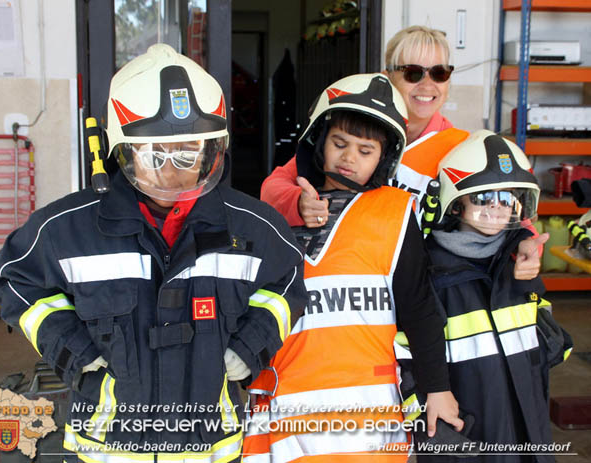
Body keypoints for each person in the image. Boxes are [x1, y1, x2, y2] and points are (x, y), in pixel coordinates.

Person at [0, 44, 308, 462]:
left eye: (189, 152)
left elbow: (288, 282)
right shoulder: (68, 228)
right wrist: (73, 350)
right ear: (122, 150)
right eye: (154, 153)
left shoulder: (253, 227)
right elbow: (10, 279)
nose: (172, 169)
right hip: (108, 449)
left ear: (213, 150)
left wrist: (251, 345)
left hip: (209, 448)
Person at [242, 73, 463, 463]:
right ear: (318, 142)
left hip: (368, 414)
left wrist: (438, 389)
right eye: (340, 144)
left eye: (366, 151)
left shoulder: (396, 215)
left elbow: (421, 309)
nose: (349, 158)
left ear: (385, 159)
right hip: (284, 410)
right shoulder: (277, 211)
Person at [259, 25, 545, 280]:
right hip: (351, 276)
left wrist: (526, 244)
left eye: (439, 73)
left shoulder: (461, 148)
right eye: (413, 73)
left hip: (420, 286)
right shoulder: (353, 132)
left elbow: (513, 213)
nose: (427, 85)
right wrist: (299, 204)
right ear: (387, 77)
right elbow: (272, 188)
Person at [396, 130, 572, 463]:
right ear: (455, 202)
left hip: (528, 435)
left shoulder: (516, 263)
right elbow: (403, 356)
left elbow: (541, 332)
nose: (495, 207)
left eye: (506, 199)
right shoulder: (429, 273)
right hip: (466, 438)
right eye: (482, 197)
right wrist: (425, 415)